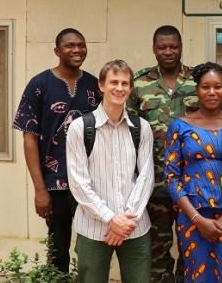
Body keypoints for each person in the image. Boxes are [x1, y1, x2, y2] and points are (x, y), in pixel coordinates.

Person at [12, 28, 101, 273]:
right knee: (58, 252)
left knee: (91, 249)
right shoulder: (39, 84)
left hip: (89, 183)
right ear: (57, 51)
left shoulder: (94, 85)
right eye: (70, 46)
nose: (77, 50)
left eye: (81, 45)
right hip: (55, 185)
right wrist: (40, 190)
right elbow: (29, 138)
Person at [163, 62, 222, 282]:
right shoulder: (180, 126)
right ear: (197, 90)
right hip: (192, 216)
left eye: (218, 86)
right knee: (195, 274)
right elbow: (170, 175)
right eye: (206, 87)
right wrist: (197, 219)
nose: (212, 92)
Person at [66, 60, 154, 283]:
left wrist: (123, 223)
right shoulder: (79, 128)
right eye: (114, 82)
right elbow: (78, 184)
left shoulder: (142, 127)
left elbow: (146, 177)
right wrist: (110, 219)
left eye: (125, 83)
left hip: (134, 228)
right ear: (101, 85)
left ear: (130, 89)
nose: (119, 88)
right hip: (93, 228)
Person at [126, 25, 198, 282]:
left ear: (181, 47)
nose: (168, 51)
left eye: (173, 46)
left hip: (193, 185)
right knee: (157, 253)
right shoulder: (139, 84)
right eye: (162, 47)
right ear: (154, 49)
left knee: (192, 250)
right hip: (154, 184)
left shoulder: (197, 81)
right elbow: (128, 136)